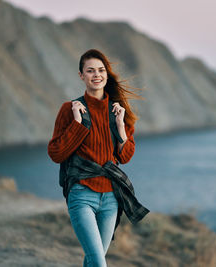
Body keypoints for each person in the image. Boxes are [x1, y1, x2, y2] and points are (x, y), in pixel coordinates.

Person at [47, 48, 143, 267]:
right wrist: (77, 124)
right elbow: (56, 153)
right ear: (81, 75)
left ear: (107, 74)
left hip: (111, 198)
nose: (96, 75)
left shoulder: (119, 111)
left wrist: (120, 125)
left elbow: (125, 156)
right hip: (81, 194)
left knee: (93, 261)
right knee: (99, 262)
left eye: (101, 70)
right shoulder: (69, 109)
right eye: (90, 71)